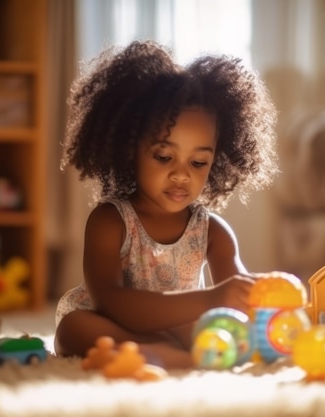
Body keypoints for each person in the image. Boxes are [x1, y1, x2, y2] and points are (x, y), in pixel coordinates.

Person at [54, 40, 279, 369]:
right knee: (73, 328)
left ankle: (167, 353)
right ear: (131, 149)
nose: (181, 175)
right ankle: (161, 355)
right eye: (164, 156)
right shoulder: (110, 221)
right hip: (114, 323)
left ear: (216, 160)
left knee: (209, 328)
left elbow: (239, 296)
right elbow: (112, 303)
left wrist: (267, 301)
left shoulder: (213, 231)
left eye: (198, 162)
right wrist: (209, 298)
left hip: (175, 329)